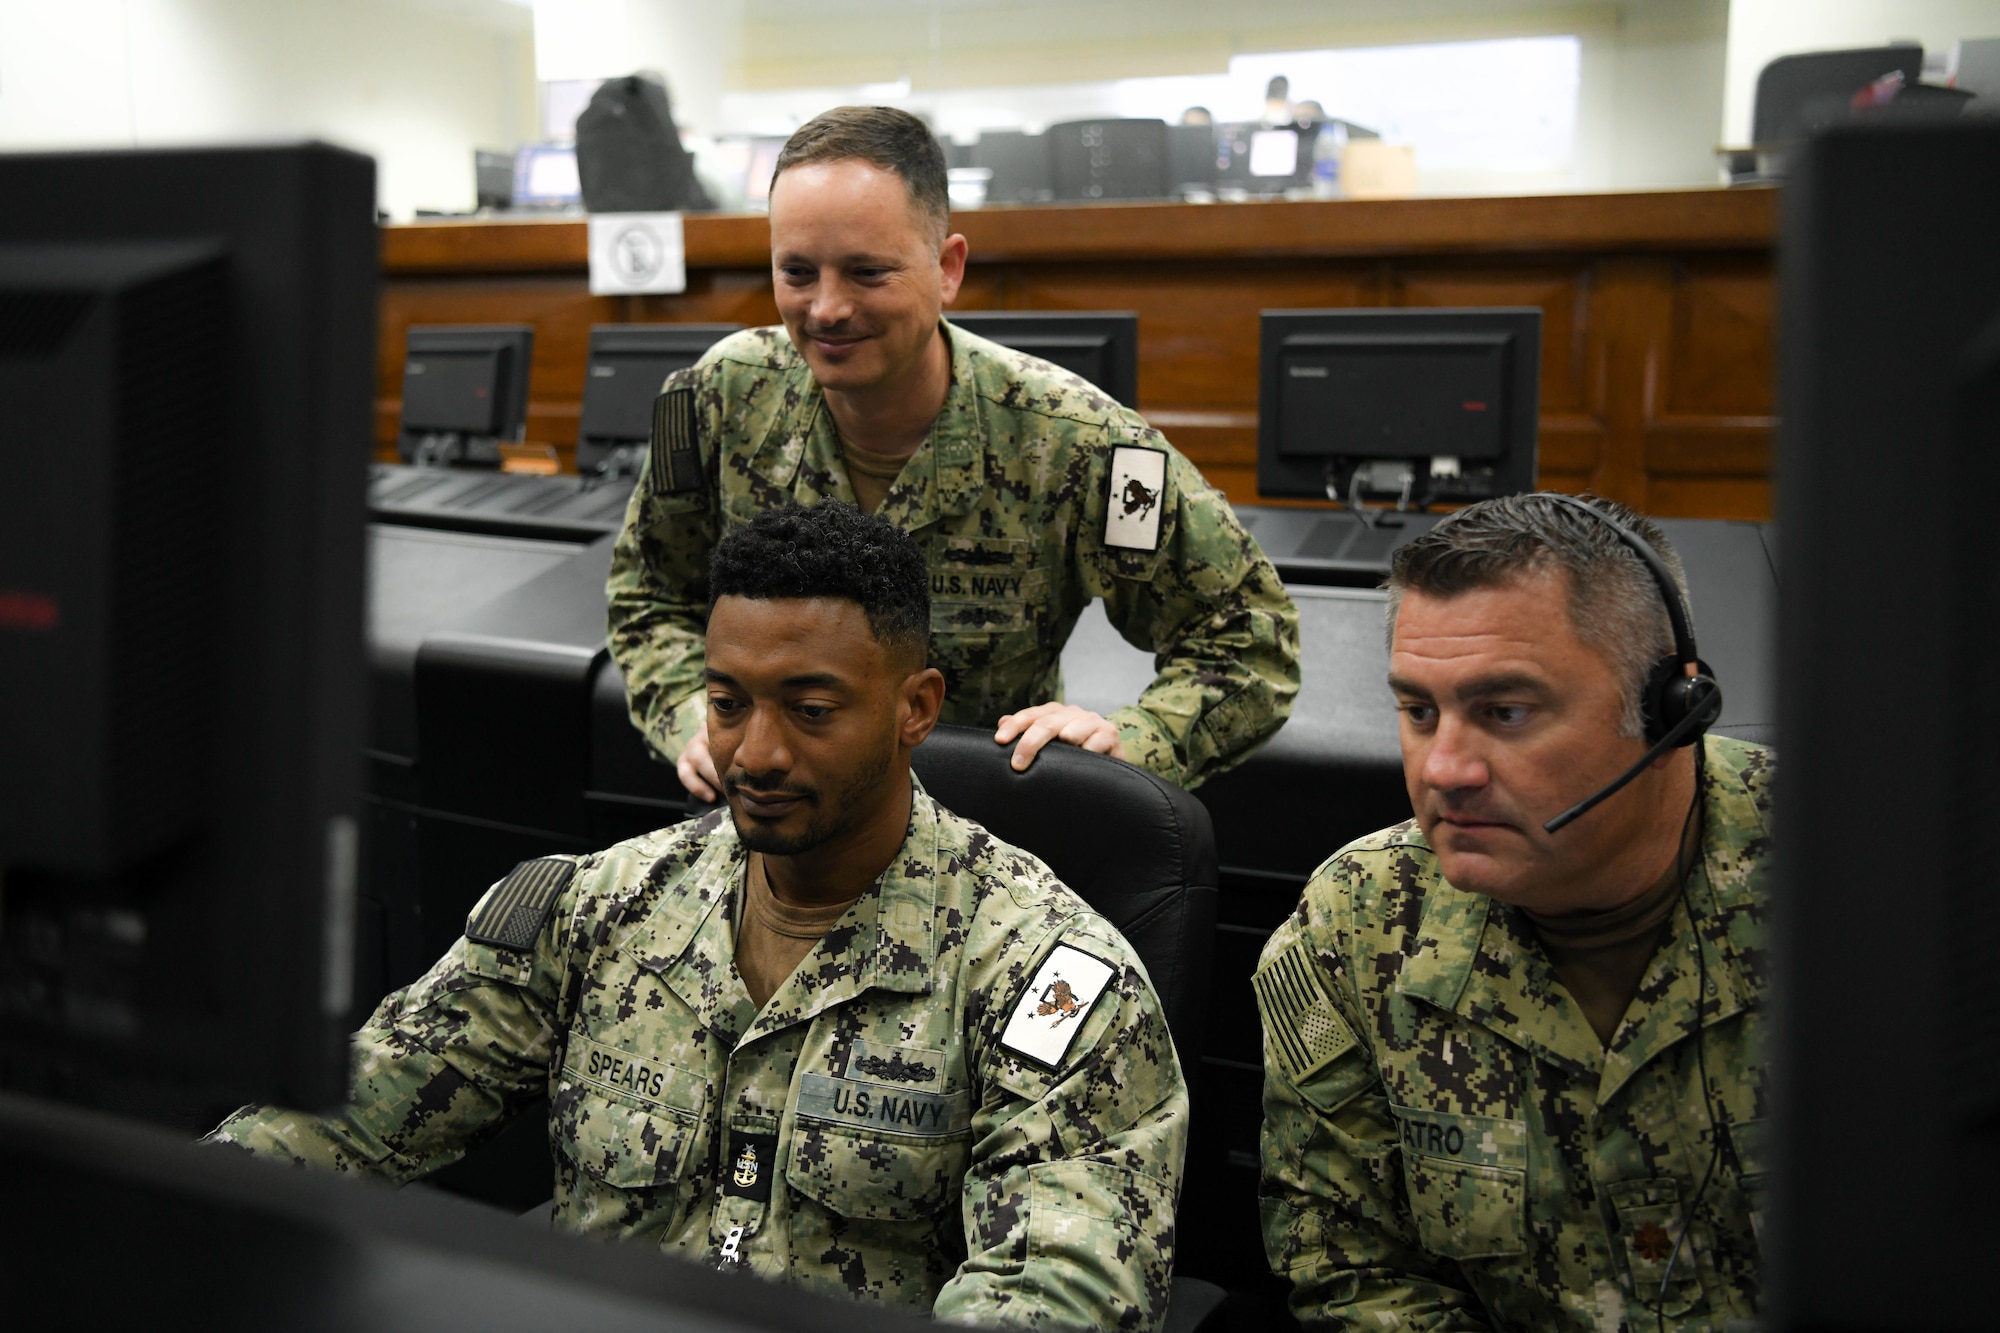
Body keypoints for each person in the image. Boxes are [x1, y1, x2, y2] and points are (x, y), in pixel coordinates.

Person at [209, 503, 1189, 1330]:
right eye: (727, 703)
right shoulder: (593, 907)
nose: (753, 753)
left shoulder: (1041, 975)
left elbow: (1059, 1294)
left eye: (809, 710)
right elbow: (348, 1115)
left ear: (915, 707)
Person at [605, 105, 1297, 802]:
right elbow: (650, 598)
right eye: (798, 271)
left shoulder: (1074, 443)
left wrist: (1132, 742)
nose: (826, 309)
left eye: (867, 272)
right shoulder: (716, 399)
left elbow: (1248, 640)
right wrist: (693, 715)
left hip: (982, 847)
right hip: (771, 824)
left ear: (947, 269)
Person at [1255, 493, 1771, 1331]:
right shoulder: (1356, 922)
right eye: (1419, 711)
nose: (1446, 767)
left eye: (1507, 711)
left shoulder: (1865, 888)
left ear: (1670, 708)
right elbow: (1352, 1272)